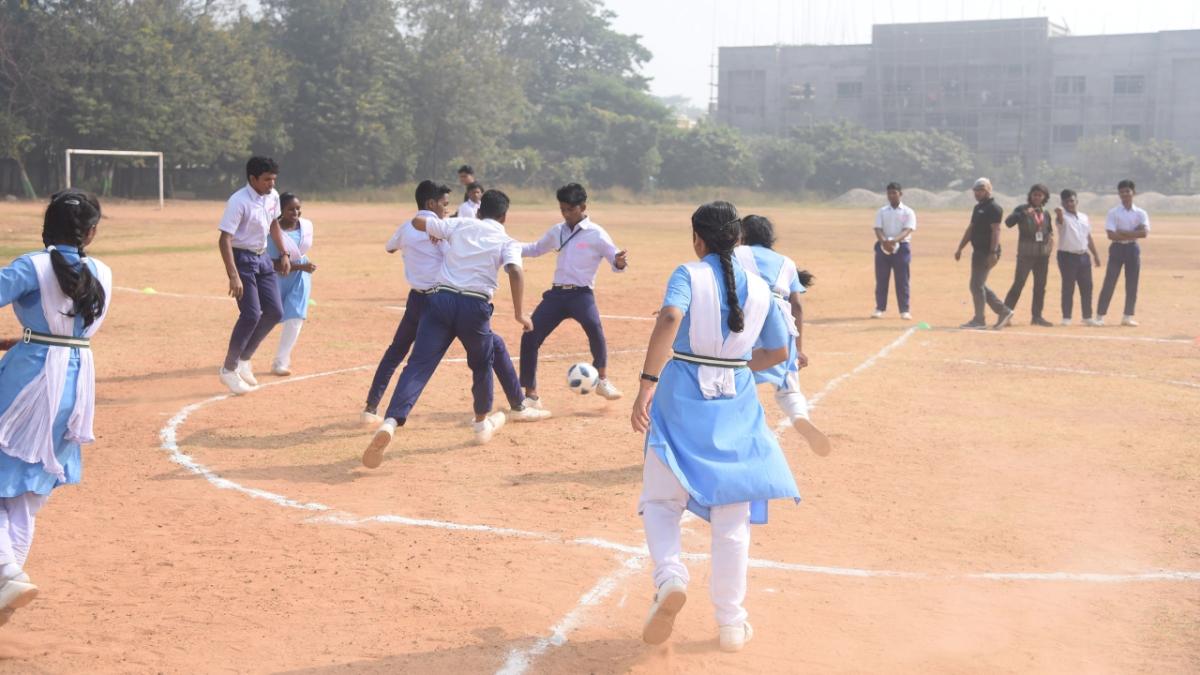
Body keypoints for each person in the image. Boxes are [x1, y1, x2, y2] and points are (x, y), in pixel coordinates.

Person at [631, 201, 799, 654]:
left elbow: (670, 317)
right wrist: (738, 363)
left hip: (682, 393)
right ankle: (730, 623)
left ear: (697, 239)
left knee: (662, 500)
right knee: (732, 520)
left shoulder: (689, 273)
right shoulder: (761, 287)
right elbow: (780, 352)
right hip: (737, 399)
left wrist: (646, 383)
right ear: (739, 240)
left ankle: (669, 576)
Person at [0, 190, 112, 624]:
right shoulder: (103, 271)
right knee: (26, 496)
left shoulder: (31, 265)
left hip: (28, 379)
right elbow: (70, 325)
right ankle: (9, 593)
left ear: (45, 227)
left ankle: (7, 572)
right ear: (91, 233)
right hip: (75, 382)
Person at [362, 189, 534, 468]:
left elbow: (419, 223)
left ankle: (391, 422)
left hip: (439, 300)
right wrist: (519, 313)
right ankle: (480, 423)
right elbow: (515, 270)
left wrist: (435, 230)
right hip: (474, 306)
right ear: (504, 216)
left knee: (417, 365)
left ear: (478, 212)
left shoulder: (460, 223)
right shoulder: (506, 239)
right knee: (481, 363)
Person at [519, 183, 628, 407]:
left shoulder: (596, 233)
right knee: (530, 334)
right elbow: (535, 249)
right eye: (562, 210)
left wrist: (619, 262)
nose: (566, 214)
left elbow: (614, 259)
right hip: (557, 295)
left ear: (583, 207)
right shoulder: (557, 231)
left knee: (595, 328)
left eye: (570, 209)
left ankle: (602, 380)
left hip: (581, 295)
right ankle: (530, 394)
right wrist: (506, 247)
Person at [735, 215, 831, 455]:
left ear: (742, 235)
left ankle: (744, 435)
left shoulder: (736, 254)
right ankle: (799, 416)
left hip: (751, 316)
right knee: (789, 387)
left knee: (737, 376)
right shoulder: (787, 262)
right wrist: (797, 348)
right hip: (782, 319)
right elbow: (797, 306)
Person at [217, 156, 291, 394]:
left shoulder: (273, 197)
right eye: (267, 179)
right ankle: (228, 369)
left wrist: (284, 253)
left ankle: (243, 360)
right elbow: (224, 239)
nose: (271, 184)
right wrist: (233, 275)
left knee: (275, 312)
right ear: (253, 179)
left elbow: (274, 226)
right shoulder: (238, 202)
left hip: (262, 258)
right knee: (250, 314)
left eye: (273, 179)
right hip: (242, 259)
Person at [266, 193, 317, 376]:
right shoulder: (272, 232)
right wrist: (300, 266)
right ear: (281, 211)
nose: (296, 212)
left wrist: (301, 267)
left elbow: (300, 254)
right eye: (290, 209)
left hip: (299, 279)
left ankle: (281, 361)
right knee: (267, 317)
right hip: (275, 278)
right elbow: (271, 263)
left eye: (298, 208)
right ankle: (242, 357)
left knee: (295, 318)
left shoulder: (306, 227)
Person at [954, 178, 1010, 329]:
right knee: (979, 285)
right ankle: (1003, 311)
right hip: (978, 251)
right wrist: (960, 247)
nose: (977, 193)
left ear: (988, 190)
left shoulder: (994, 208)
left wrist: (993, 252)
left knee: (976, 285)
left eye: (981, 190)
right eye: (976, 190)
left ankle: (980, 320)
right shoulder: (978, 208)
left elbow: (996, 230)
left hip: (987, 252)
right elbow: (971, 229)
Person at [1096, 179, 1150, 326]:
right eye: (1122, 192)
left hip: (1132, 248)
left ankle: (1127, 316)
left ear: (1134, 193)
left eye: (1127, 191)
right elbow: (1111, 235)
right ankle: (1100, 315)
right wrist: (1134, 232)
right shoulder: (1113, 212)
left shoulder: (1141, 213)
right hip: (1117, 248)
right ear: (1118, 194)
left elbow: (1144, 233)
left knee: (1132, 283)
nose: (1125, 194)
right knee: (1110, 281)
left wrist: (1124, 232)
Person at [1001, 184, 1055, 327]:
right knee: (1019, 284)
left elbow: (1049, 230)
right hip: (1026, 254)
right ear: (1030, 196)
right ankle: (1005, 314)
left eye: (1040, 195)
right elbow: (1008, 223)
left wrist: (1050, 239)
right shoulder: (1022, 209)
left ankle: (1037, 317)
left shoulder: (1046, 212)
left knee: (1040, 286)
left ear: (1045, 197)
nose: (1037, 197)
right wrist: (1023, 214)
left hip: (1042, 256)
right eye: (1034, 194)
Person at [1054, 189, 1102, 326]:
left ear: (1077, 201)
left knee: (1087, 287)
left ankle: (1087, 316)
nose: (1070, 204)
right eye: (1066, 201)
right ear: (1062, 203)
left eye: (1072, 201)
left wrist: (1095, 255)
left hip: (1083, 255)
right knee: (1068, 286)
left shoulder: (1084, 217)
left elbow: (1088, 236)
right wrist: (1059, 212)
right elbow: (1060, 221)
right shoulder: (1062, 217)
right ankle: (1066, 317)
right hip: (1067, 256)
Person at [871, 182, 916, 320]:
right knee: (881, 279)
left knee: (902, 280)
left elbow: (908, 229)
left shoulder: (908, 212)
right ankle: (879, 308)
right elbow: (877, 228)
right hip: (883, 247)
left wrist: (894, 241)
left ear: (900, 194)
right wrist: (884, 242)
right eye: (889, 193)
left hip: (901, 247)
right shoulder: (882, 211)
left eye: (894, 193)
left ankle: (904, 310)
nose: (891, 196)